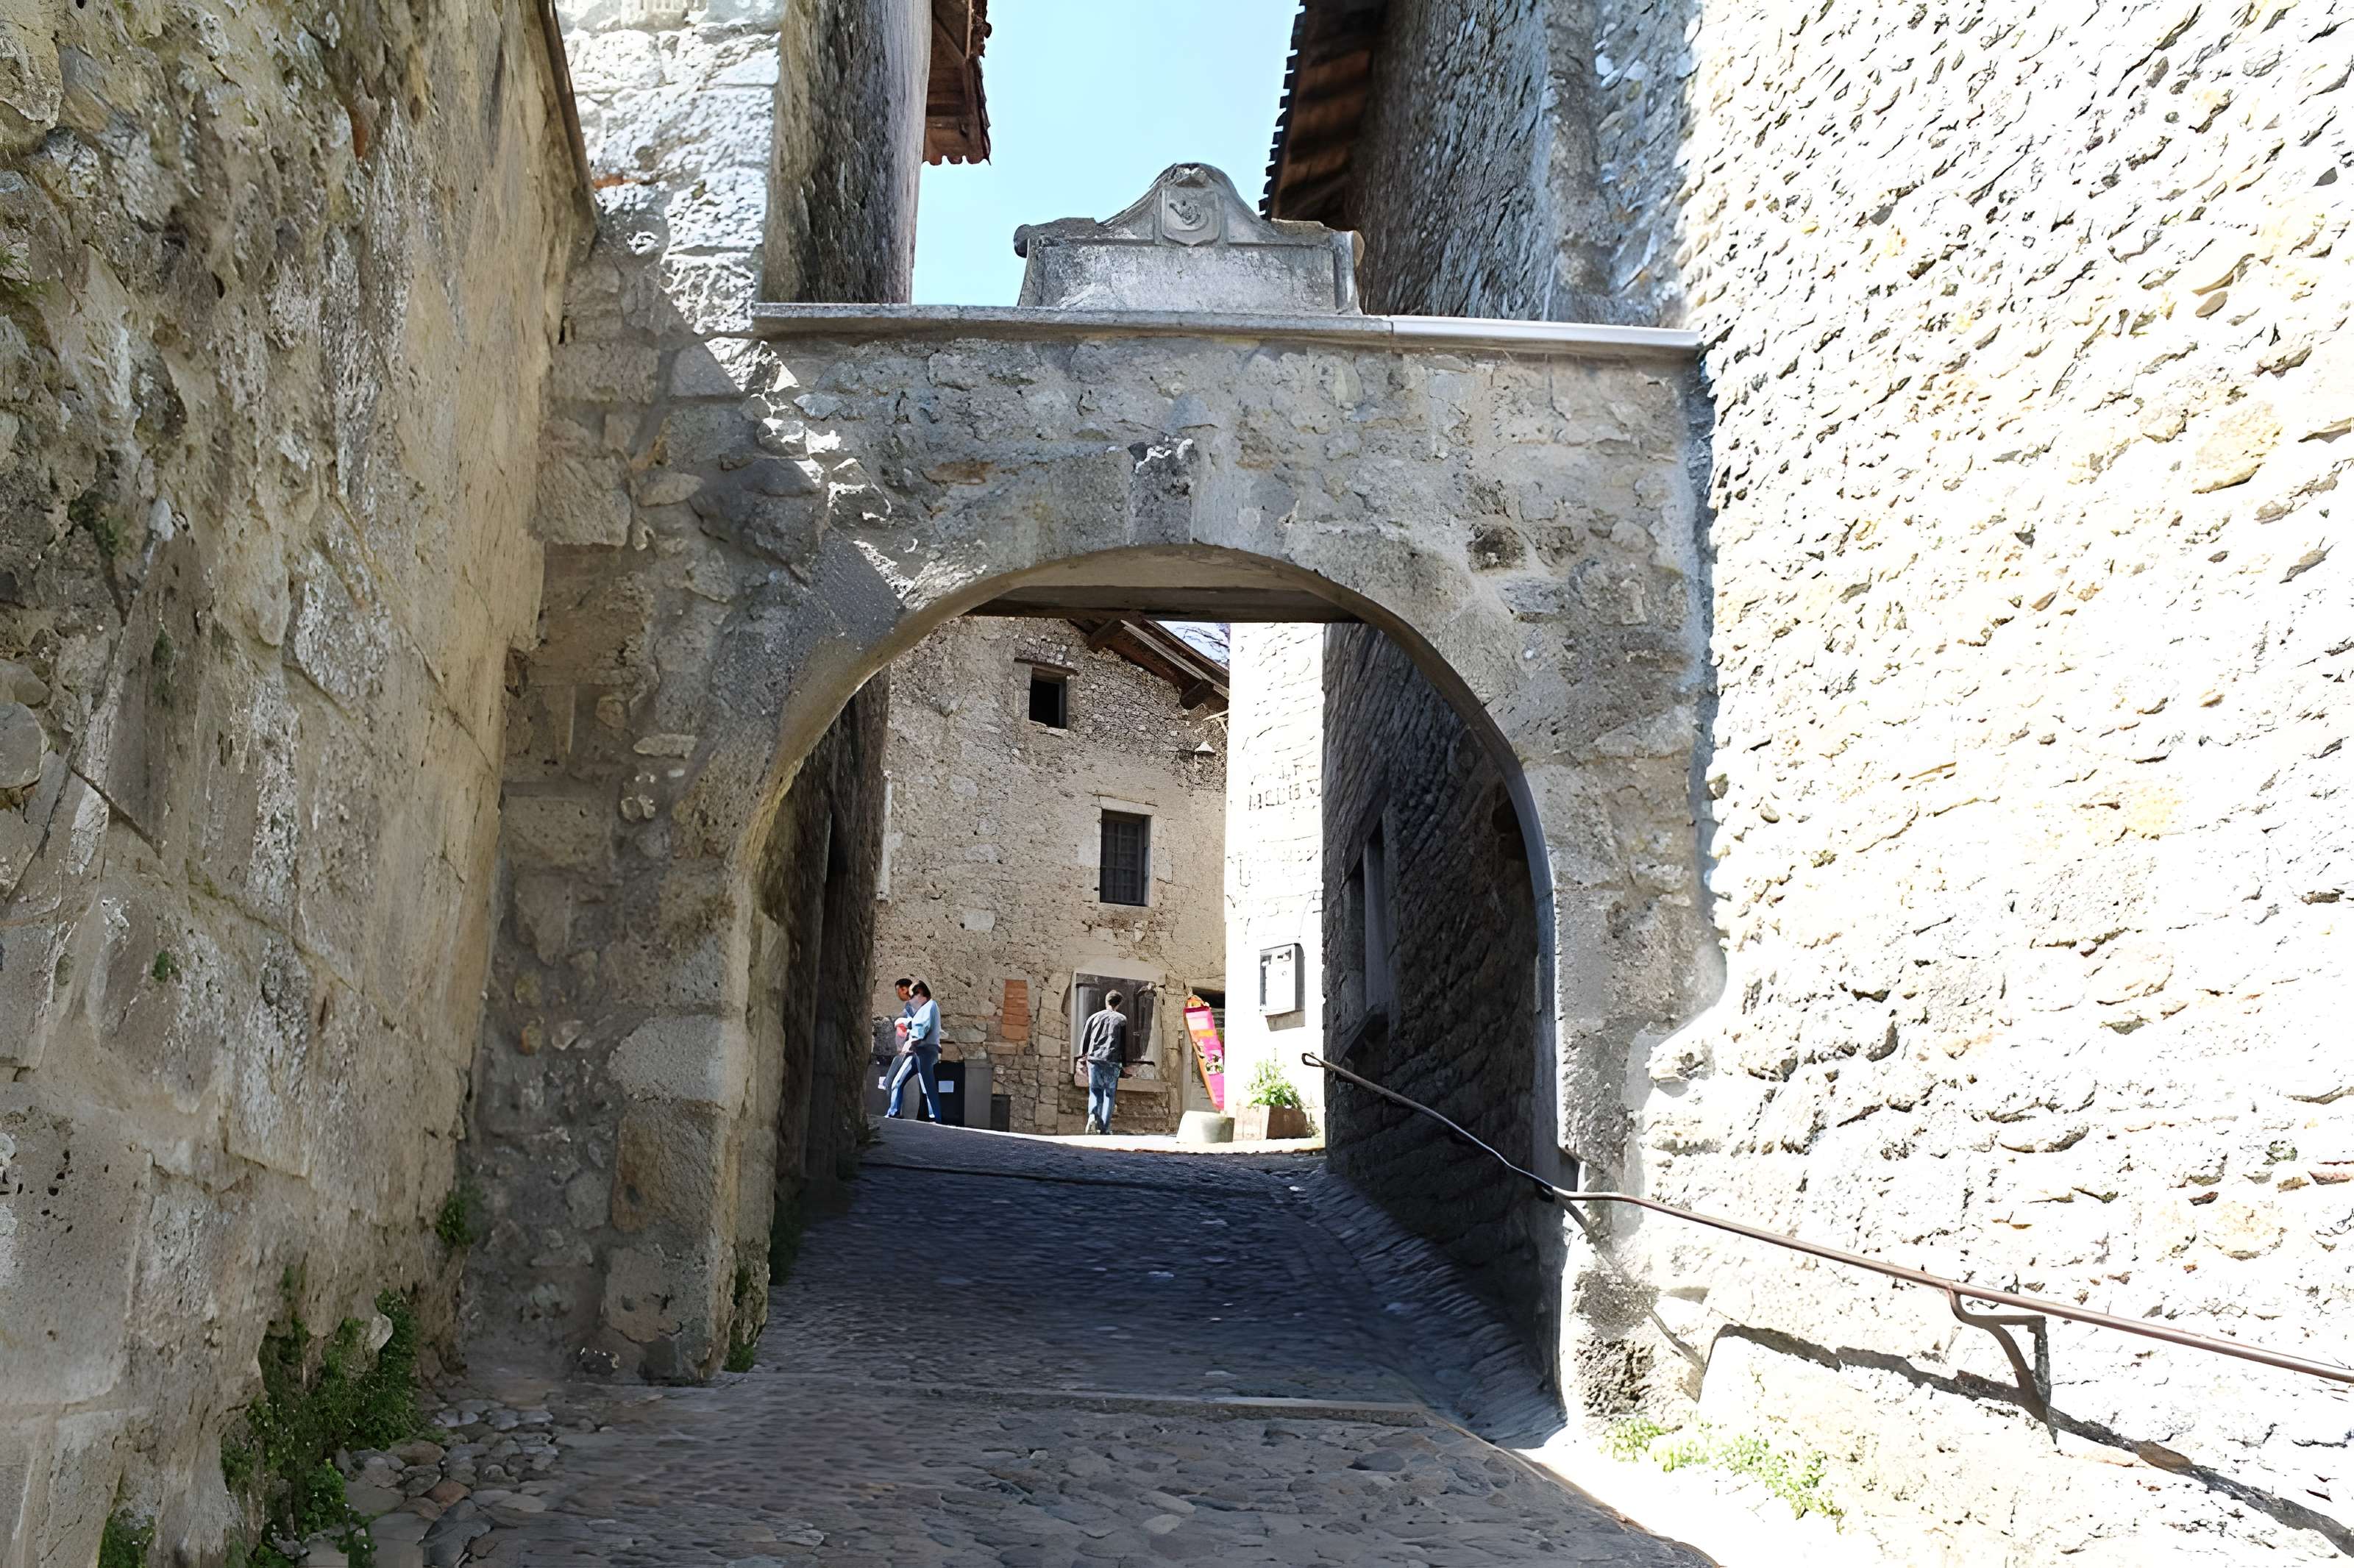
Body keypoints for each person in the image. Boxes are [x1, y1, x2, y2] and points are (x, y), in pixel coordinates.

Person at [886, 980, 943, 1121]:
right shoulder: (922, 1008)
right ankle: (893, 1112)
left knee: (927, 1086)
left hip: (925, 1052)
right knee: (898, 1082)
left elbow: (921, 1028)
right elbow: (914, 1024)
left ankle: (935, 1118)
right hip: (916, 1052)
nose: (911, 1000)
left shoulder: (930, 1006)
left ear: (921, 995)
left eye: (913, 996)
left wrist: (911, 1042)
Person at [1076, 991, 1131, 1136]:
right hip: (1112, 1060)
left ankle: (1092, 1117)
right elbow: (1124, 1044)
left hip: (1094, 1059)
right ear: (1118, 1004)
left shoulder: (1093, 1017)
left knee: (1095, 1090)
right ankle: (1105, 1128)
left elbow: (1085, 1039)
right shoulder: (1122, 1020)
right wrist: (1125, 1064)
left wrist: (1082, 1057)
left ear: (1106, 1001)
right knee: (1109, 1093)